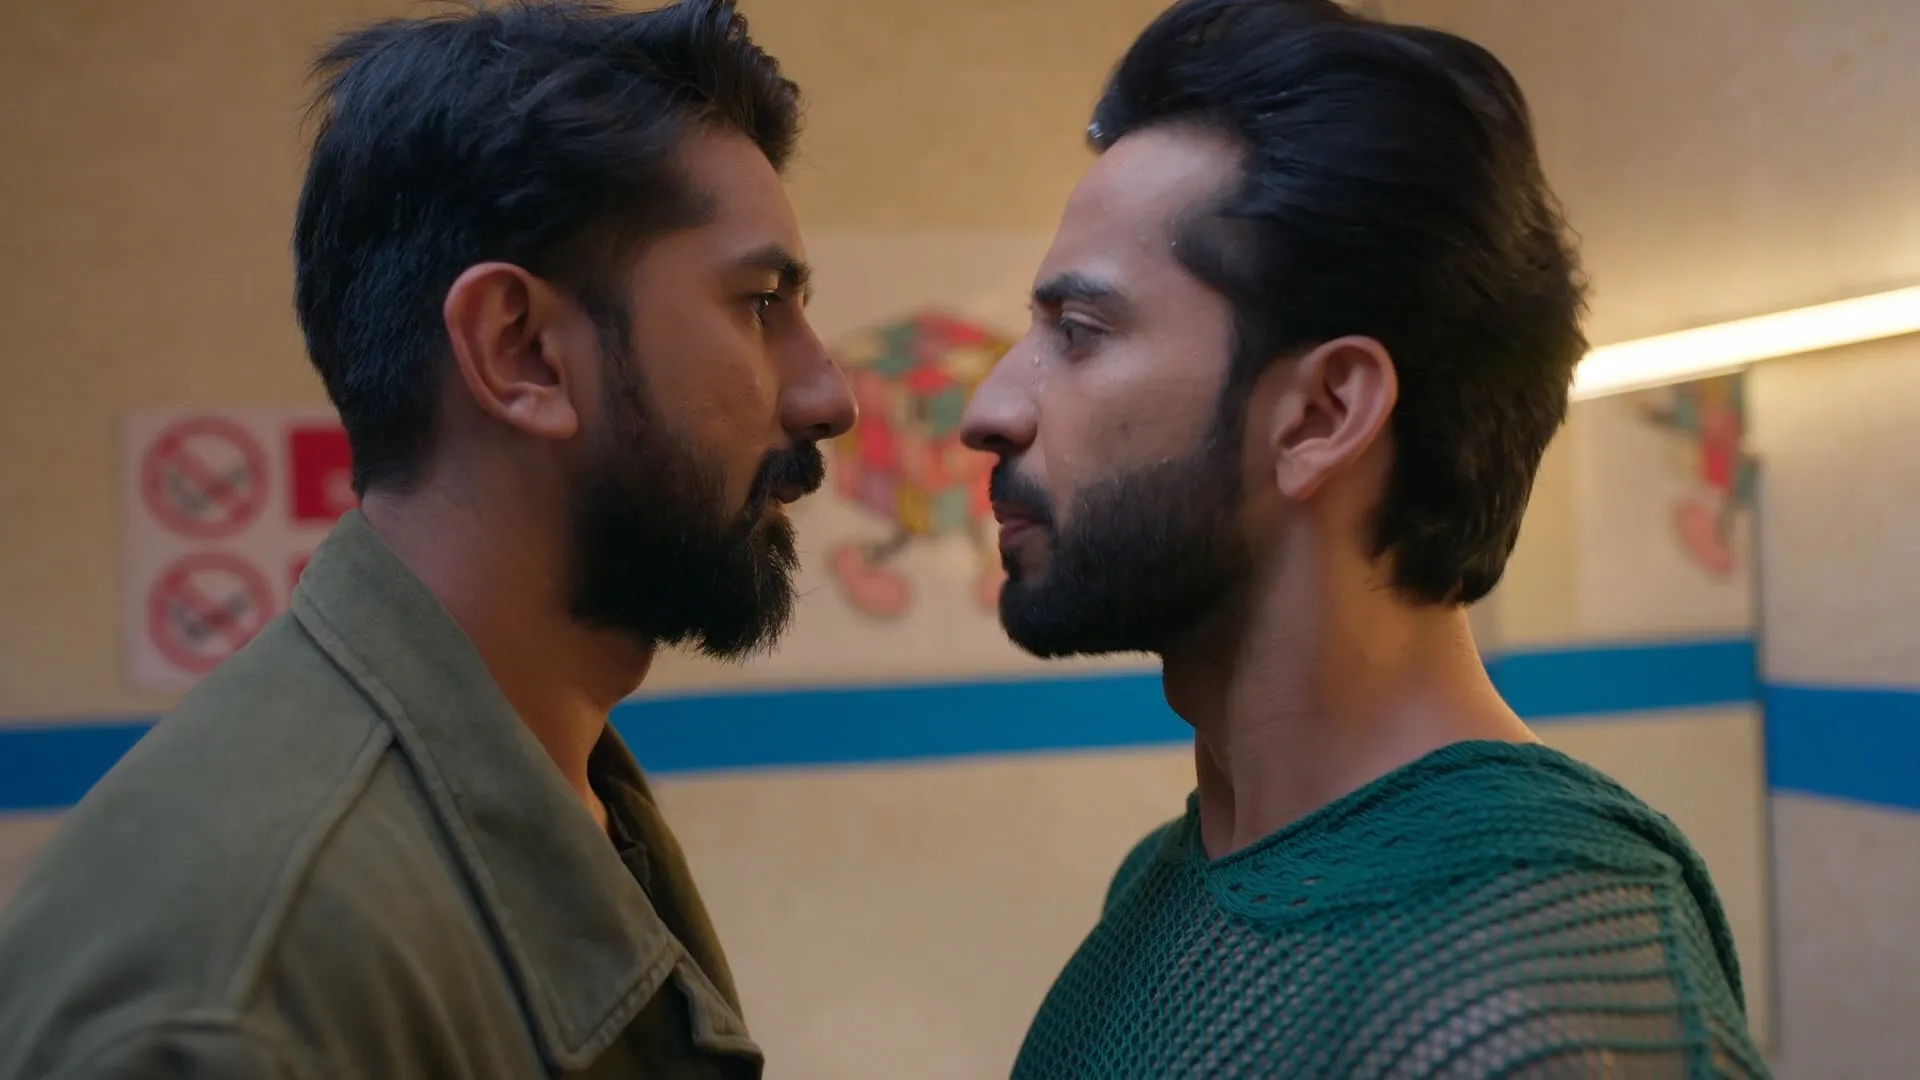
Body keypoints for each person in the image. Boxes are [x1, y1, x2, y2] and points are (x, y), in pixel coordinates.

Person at [0, 1, 851, 1076]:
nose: (829, 396)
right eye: (761, 303)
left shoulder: (570, 789)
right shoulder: (239, 1002)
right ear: (520, 351)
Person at [959, 1, 1769, 1076]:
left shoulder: (1531, 1000)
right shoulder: (1178, 882)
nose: (988, 409)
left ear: (1321, 416)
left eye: (1078, 332)